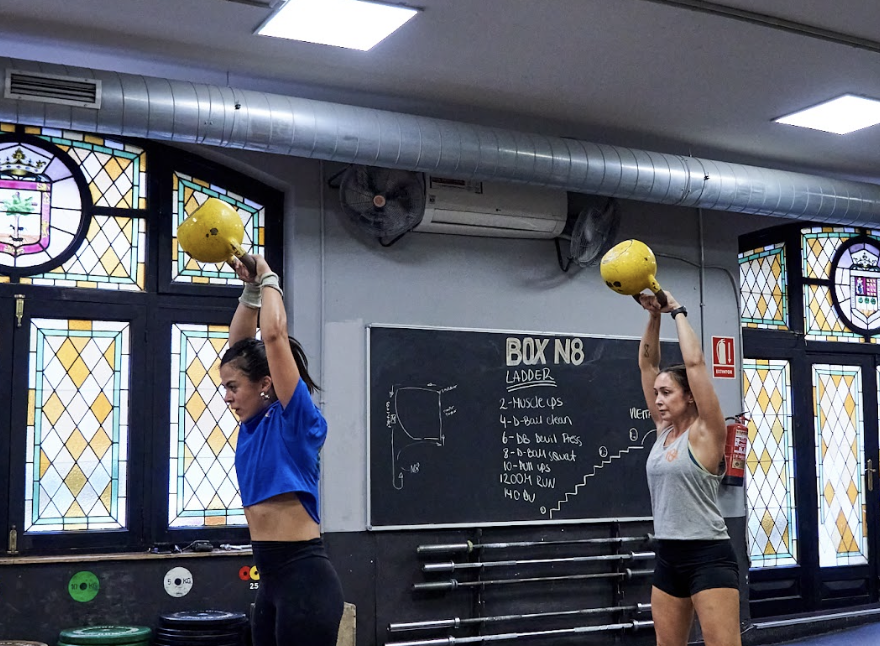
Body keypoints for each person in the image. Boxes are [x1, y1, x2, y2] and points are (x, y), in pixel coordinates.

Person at [220, 254, 344, 646]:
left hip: (305, 582)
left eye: (233, 387)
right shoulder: (252, 425)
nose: (227, 397)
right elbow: (240, 347)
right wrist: (250, 291)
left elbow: (273, 336)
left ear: (265, 385)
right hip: (270, 583)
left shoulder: (296, 421)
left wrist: (268, 277)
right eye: (225, 387)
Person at [637, 290, 741, 646]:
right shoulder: (663, 431)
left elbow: (695, 365)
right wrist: (653, 316)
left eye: (667, 393)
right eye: (657, 393)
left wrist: (676, 311)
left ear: (690, 396)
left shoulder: (707, 432)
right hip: (668, 556)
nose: (658, 400)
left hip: (707, 556)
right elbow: (647, 367)